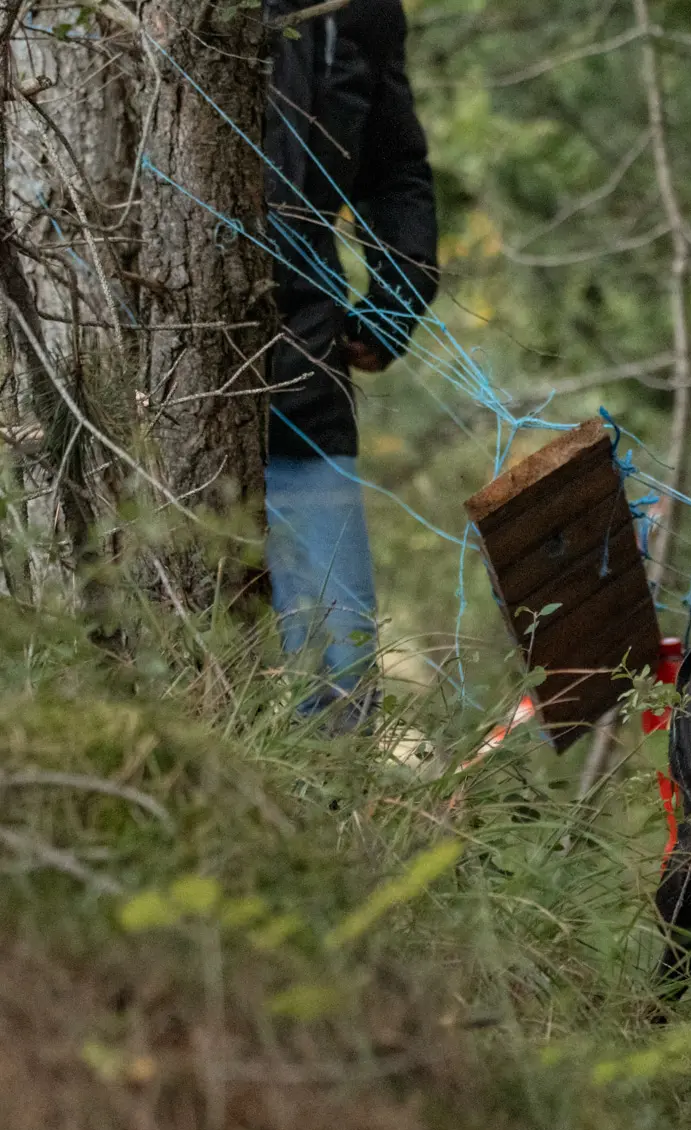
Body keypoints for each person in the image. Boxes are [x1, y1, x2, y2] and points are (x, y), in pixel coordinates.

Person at [263, 0, 438, 723]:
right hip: (139, 388)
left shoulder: (361, 10)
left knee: (339, 691)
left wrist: (396, 301)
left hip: (304, 391)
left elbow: (394, 170)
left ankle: (324, 832)